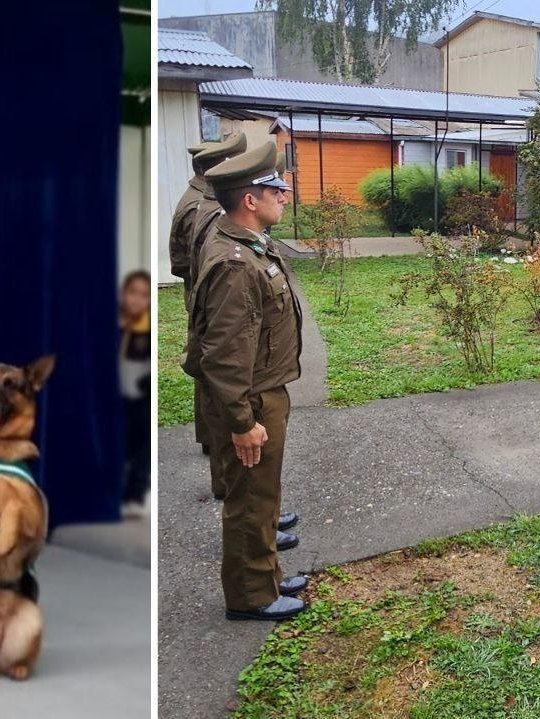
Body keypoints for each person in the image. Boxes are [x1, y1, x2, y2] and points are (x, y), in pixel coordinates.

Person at [184, 142, 307, 621]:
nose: (285, 193)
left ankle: (267, 574)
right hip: (249, 400)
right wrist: (241, 422)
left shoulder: (249, 243)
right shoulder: (236, 264)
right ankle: (252, 595)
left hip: (262, 391)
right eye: (274, 187)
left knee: (262, 495)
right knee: (249, 500)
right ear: (250, 200)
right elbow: (224, 356)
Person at [171, 134, 246, 464]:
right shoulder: (202, 206)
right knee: (214, 373)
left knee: (207, 371)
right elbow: (194, 259)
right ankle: (217, 447)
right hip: (207, 295)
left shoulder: (198, 199)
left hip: (200, 292)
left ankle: (210, 440)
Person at [119, 270, 151, 518]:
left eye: (144, 295)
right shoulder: (116, 325)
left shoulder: (147, 329)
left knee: (142, 445)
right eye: (132, 293)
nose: (137, 300)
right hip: (117, 396)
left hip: (140, 397)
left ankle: (135, 492)